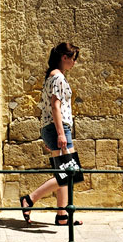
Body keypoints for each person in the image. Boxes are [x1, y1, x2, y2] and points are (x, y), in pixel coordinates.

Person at [20, 41, 83, 226]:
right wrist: (60, 133)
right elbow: (55, 106)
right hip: (59, 128)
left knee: (64, 172)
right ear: (64, 58)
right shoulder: (58, 78)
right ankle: (30, 199)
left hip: (53, 128)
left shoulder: (52, 76)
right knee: (71, 172)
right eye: (73, 59)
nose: (75, 63)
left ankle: (62, 215)